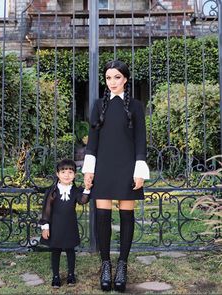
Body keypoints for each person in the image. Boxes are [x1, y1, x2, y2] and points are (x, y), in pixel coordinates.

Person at [82, 60, 150, 292]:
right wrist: (89, 170)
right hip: (104, 168)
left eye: (117, 77)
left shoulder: (136, 107)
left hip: (128, 168)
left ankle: (122, 265)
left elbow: (141, 140)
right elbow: (92, 142)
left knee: (126, 216)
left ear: (125, 79)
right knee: (102, 217)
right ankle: (105, 265)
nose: (112, 82)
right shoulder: (98, 105)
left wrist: (139, 170)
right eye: (109, 78)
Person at [39, 158, 91, 288]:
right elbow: (46, 209)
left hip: (70, 225)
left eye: (70, 172)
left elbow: (83, 201)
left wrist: (87, 189)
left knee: (70, 250)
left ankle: (71, 275)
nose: (66, 175)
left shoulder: (75, 190)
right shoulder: (52, 191)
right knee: (55, 250)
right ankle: (55, 276)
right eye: (63, 172)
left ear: (74, 175)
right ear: (57, 174)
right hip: (55, 225)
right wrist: (45, 226)